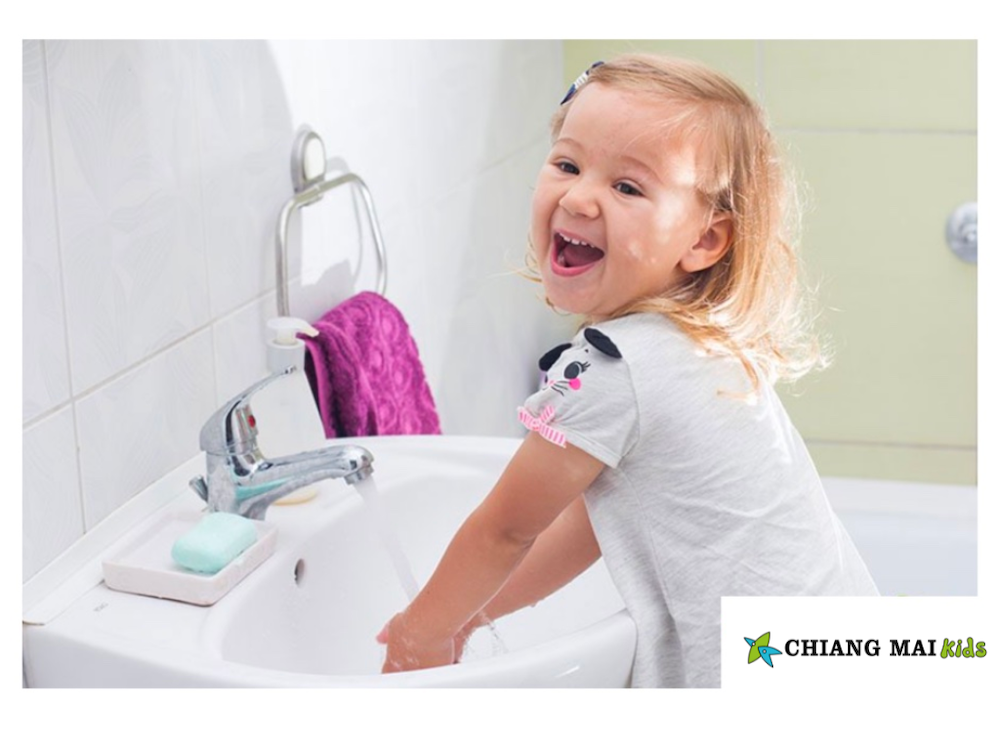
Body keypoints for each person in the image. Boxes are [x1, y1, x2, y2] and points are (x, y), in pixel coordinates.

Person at [378, 53, 878, 688]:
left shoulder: (610, 369)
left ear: (703, 240)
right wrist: (472, 613)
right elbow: (593, 521)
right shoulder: (696, 338)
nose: (580, 196)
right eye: (567, 163)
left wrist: (420, 633)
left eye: (628, 187)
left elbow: (505, 530)